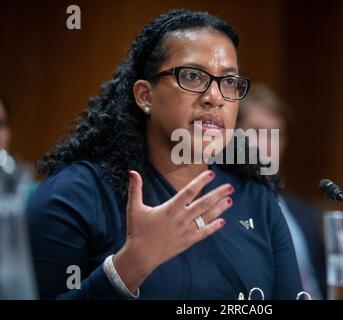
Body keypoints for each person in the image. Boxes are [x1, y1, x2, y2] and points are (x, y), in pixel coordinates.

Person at [26, 9, 302, 300]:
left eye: (229, 82)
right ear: (145, 95)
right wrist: (127, 268)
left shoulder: (255, 198)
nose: (215, 97)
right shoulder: (74, 195)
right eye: (193, 76)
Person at [238, 83, 327, 299]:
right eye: (257, 132)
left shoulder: (304, 213)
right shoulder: (228, 207)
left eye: (276, 135)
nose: (268, 145)